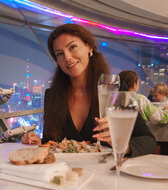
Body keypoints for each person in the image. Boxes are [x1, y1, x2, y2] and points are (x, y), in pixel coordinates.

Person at [21, 24, 156, 158]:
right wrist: (39, 141)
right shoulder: (52, 95)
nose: (67, 57)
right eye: (60, 54)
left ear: (89, 47)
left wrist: (122, 144)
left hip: (104, 175)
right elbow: (54, 141)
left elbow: (148, 141)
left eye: (72, 47)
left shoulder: (115, 91)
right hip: (67, 175)